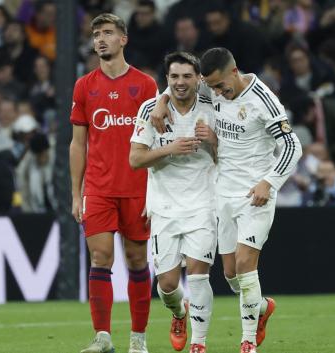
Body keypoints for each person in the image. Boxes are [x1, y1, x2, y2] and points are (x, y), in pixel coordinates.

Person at [150, 47, 303, 353]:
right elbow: (183, 85)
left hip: (255, 195)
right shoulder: (212, 87)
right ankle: (260, 307)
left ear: (234, 71)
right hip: (223, 193)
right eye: (213, 87)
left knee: (246, 266)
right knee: (231, 274)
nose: (217, 93)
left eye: (221, 86)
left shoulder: (264, 100)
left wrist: (268, 182)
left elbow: (292, 146)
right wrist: (161, 101)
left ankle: (247, 342)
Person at [69, 13, 158, 353]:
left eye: (108, 32)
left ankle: (138, 339)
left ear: (124, 39)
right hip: (99, 188)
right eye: (96, 34)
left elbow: (157, 137)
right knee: (100, 258)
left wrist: (157, 190)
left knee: (137, 260)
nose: (100, 39)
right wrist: (76, 194)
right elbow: (78, 143)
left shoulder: (146, 85)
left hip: (137, 188)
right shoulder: (84, 86)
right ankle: (103, 337)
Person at [129, 52, 217, 353]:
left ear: (198, 79)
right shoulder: (150, 110)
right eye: (174, 77)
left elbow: (229, 158)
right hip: (164, 206)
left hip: (204, 203)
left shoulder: (212, 107)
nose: (180, 82)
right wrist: (172, 149)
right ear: (167, 79)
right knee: (167, 285)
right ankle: (179, 313)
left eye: (187, 76)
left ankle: (199, 344)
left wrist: (213, 140)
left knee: (198, 274)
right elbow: (135, 159)